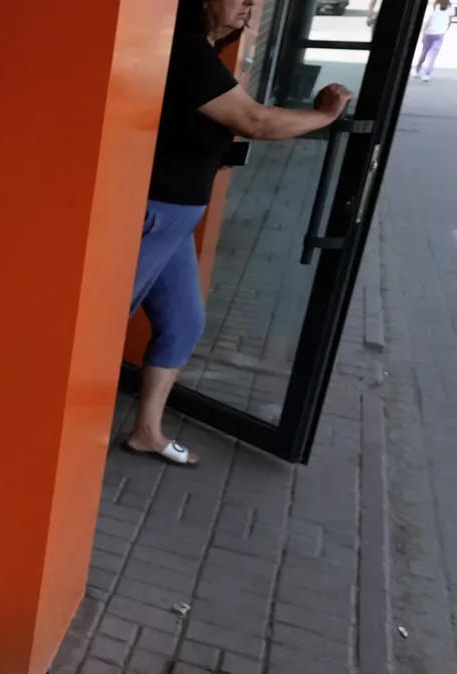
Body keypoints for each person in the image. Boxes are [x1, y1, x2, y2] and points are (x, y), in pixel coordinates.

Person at [124, 0, 353, 467]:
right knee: (99, 328)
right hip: (155, 216)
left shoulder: (204, 52)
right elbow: (255, 121)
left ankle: (147, 432)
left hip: (176, 221)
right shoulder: (186, 50)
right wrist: (324, 116)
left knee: (183, 323)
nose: (250, 4)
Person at [416, 0, 455, 81]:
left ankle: (417, 69)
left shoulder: (433, 7)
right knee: (433, 54)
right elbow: (449, 22)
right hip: (440, 34)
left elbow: (427, 22)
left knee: (424, 52)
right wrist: (444, 30)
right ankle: (427, 74)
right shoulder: (451, 8)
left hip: (429, 33)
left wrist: (423, 33)